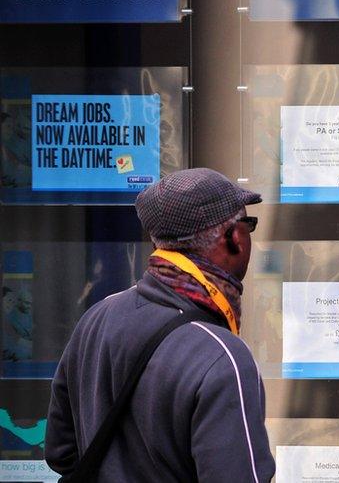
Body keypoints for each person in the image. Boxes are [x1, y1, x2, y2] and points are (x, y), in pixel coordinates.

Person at [45, 168, 276, 482]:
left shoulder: (97, 318)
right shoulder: (224, 356)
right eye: (248, 224)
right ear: (233, 237)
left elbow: (61, 453)